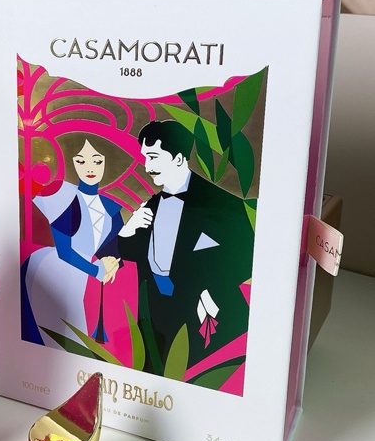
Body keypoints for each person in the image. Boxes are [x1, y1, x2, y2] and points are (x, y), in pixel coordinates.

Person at [116, 120, 254, 372]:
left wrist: (207, 289)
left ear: (179, 158)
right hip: (154, 313)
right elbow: (131, 255)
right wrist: (127, 230)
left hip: (202, 312)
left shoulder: (222, 204)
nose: (147, 166)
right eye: (145, 158)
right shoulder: (150, 206)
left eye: (154, 157)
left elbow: (246, 255)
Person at [21, 134, 123, 347]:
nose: (89, 168)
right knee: (59, 331)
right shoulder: (64, 198)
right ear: (72, 162)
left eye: (97, 161)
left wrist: (113, 262)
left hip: (83, 276)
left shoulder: (111, 207)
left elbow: (115, 245)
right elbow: (64, 251)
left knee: (75, 333)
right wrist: (97, 270)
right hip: (53, 269)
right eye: (81, 161)